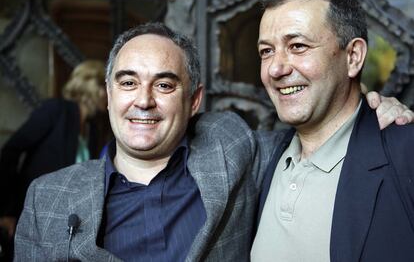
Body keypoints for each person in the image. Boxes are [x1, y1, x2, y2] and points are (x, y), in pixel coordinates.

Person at [12, 25, 413, 261]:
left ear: (194, 101)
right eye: (128, 82)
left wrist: (370, 107)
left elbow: (321, 127)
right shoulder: (48, 198)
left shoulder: (234, 149)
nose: (144, 100)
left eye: (164, 84)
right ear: (108, 93)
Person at [251, 0, 414, 261]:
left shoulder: (406, 154)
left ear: (353, 57)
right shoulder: (260, 158)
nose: (275, 69)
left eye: (297, 46)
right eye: (267, 51)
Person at [0, 60, 107, 243]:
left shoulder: (92, 130)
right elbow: (11, 151)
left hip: (65, 222)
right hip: (32, 214)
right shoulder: (56, 110)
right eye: (107, 87)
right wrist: (5, 210)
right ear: (94, 87)